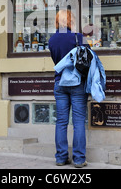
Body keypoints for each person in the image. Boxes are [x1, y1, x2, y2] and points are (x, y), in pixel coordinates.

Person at [48, 9, 88, 168]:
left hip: (60, 83)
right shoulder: (78, 37)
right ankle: (79, 159)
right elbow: (89, 57)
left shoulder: (52, 40)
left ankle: (61, 158)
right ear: (71, 21)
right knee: (78, 121)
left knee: (61, 121)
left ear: (57, 22)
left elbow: (57, 60)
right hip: (77, 83)